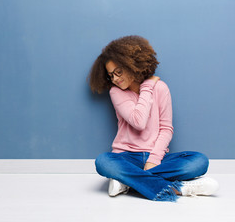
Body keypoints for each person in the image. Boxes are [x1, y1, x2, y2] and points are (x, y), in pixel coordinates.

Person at [88, 35, 219, 202]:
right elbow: (138, 121)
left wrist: (154, 160)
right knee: (103, 162)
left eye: (118, 72)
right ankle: (180, 189)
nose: (115, 79)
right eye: (111, 75)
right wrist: (147, 87)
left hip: (157, 156)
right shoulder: (116, 92)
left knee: (199, 161)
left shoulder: (161, 88)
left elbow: (166, 129)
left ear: (131, 65)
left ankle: (127, 182)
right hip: (126, 157)